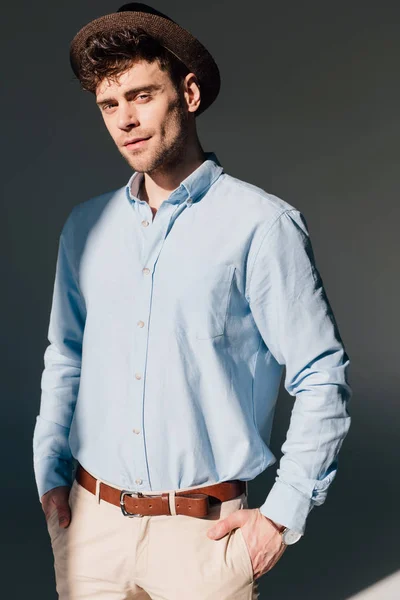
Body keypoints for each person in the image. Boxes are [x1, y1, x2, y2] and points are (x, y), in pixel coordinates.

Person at [32, 3, 352, 599]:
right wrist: (50, 478)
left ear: (190, 93)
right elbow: (65, 357)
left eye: (141, 96)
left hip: (203, 539)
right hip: (89, 528)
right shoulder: (85, 228)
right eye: (109, 104)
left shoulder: (261, 226)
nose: (125, 119)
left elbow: (321, 375)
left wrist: (281, 517)